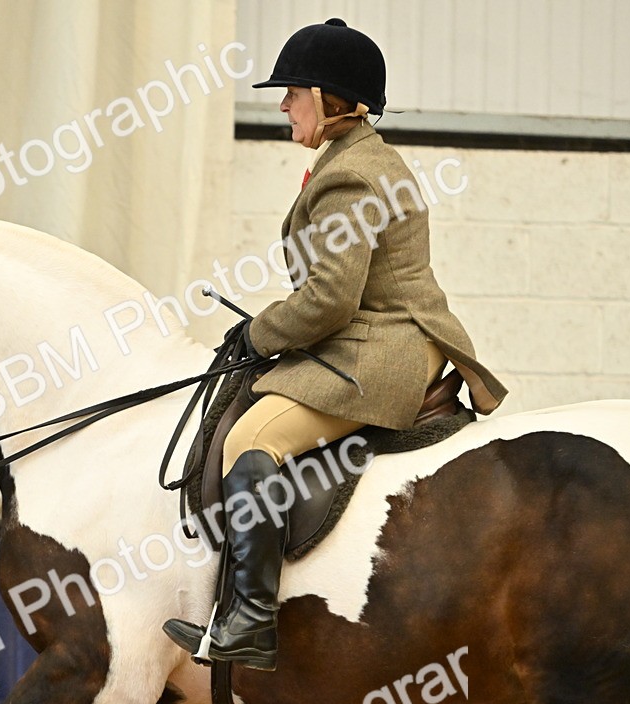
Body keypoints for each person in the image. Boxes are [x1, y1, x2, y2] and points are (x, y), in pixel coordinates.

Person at [163, 18, 508, 671]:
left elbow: (328, 300)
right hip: (379, 333)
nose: (283, 104)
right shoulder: (356, 160)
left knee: (250, 440)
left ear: (327, 99)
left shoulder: (351, 176)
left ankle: (249, 620)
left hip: (382, 347)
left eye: (293, 92)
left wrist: (257, 332)